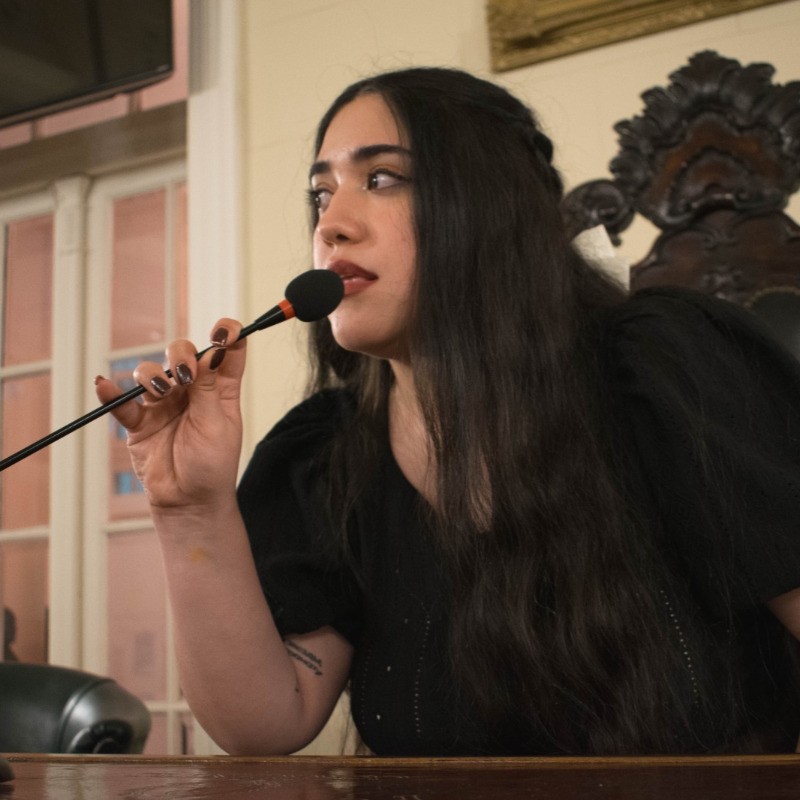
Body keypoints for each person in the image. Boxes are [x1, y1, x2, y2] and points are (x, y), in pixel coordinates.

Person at [95, 66, 800, 757]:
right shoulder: (326, 452)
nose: (331, 225)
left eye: (381, 178)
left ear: (492, 204)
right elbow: (265, 726)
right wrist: (190, 510)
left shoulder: (665, 370)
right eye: (321, 193)